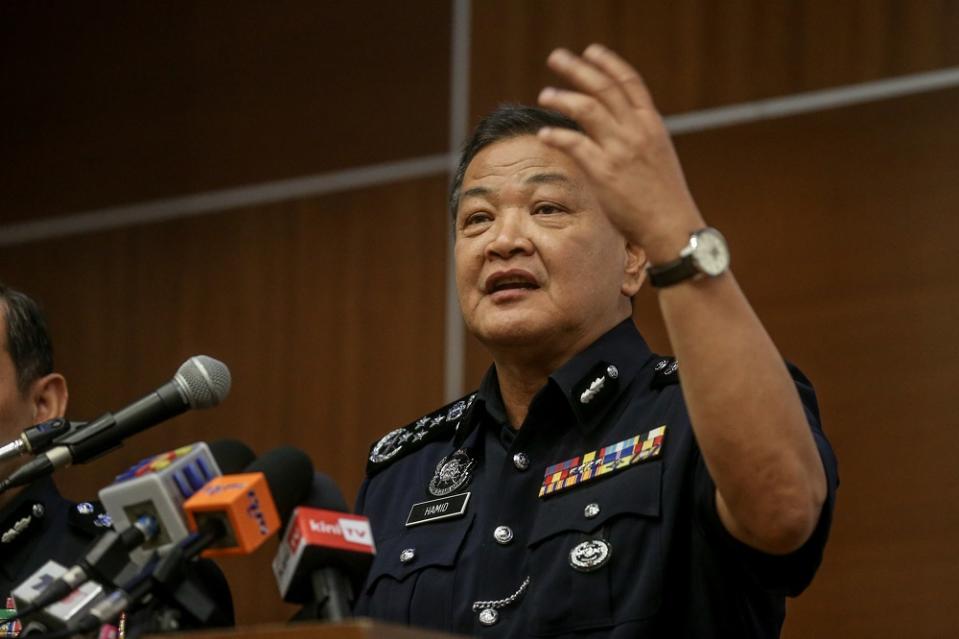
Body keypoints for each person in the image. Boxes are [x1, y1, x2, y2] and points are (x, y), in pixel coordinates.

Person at [354, 44, 838, 637]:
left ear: (634, 257)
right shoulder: (404, 470)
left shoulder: (701, 416)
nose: (502, 240)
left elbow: (783, 516)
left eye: (547, 208)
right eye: (476, 219)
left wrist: (674, 230)